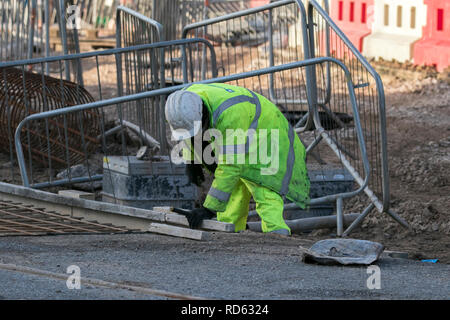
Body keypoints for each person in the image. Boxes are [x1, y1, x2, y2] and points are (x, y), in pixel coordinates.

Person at [165, 83, 310, 235]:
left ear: (202, 115)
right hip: (246, 131)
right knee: (233, 190)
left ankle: (278, 237)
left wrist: (208, 209)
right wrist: (191, 160)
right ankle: (229, 232)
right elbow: (190, 132)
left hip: (270, 137)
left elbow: (230, 166)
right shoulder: (181, 104)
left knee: (264, 189)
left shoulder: (230, 116)